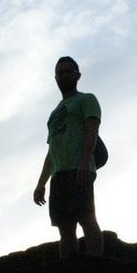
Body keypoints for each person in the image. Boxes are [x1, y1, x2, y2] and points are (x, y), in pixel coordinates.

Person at [33, 56, 104, 259]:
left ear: (77, 75)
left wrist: (84, 161)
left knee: (86, 217)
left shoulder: (86, 99)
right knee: (64, 227)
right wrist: (41, 183)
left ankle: (95, 264)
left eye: (67, 71)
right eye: (60, 72)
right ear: (55, 78)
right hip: (59, 175)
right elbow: (51, 150)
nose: (63, 75)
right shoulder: (54, 114)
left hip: (79, 168)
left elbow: (92, 130)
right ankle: (69, 270)